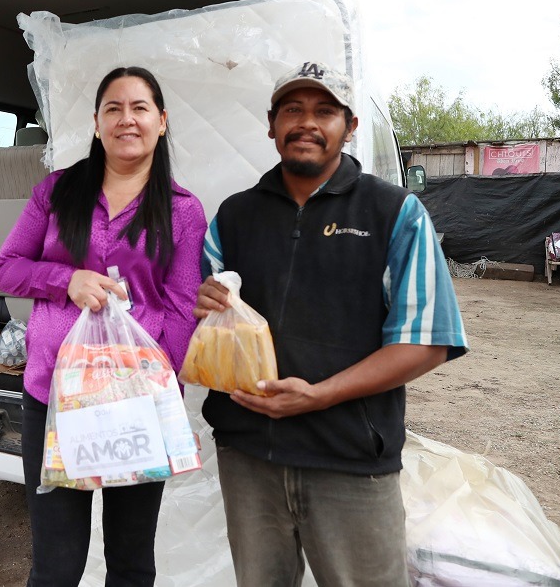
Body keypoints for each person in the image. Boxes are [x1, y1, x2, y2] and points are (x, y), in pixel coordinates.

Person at [195, 61, 469, 587]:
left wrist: (319, 396)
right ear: (270, 124)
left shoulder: (395, 213)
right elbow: (204, 326)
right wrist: (203, 302)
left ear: (350, 125)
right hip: (249, 456)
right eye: (292, 109)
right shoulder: (233, 216)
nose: (307, 122)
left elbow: (428, 341)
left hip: (351, 461)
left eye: (325, 111)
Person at [0, 66, 206, 587]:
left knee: (131, 561)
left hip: (137, 401)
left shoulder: (182, 211)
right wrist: (65, 280)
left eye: (139, 109)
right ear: (95, 122)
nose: (126, 119)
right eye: (113, 108)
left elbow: (181, 308)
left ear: (161, 121)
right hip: (56, 397)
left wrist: (159, 388)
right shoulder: (57, 193)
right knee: (57, 563)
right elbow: (6, 268)